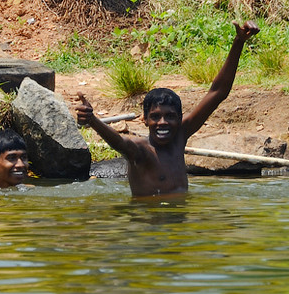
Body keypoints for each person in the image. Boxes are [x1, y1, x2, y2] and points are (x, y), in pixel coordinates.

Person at [76, 20, 260, 197]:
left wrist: (239, 43)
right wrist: (93, 120)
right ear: (145, 119)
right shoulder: (140, 151)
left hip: (178, 223)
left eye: (170, 116)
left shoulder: (179, 136)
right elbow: (118, 142)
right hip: (149, 223)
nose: (162, 122)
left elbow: (218, 92)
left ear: (180, 119)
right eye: (155, 117)